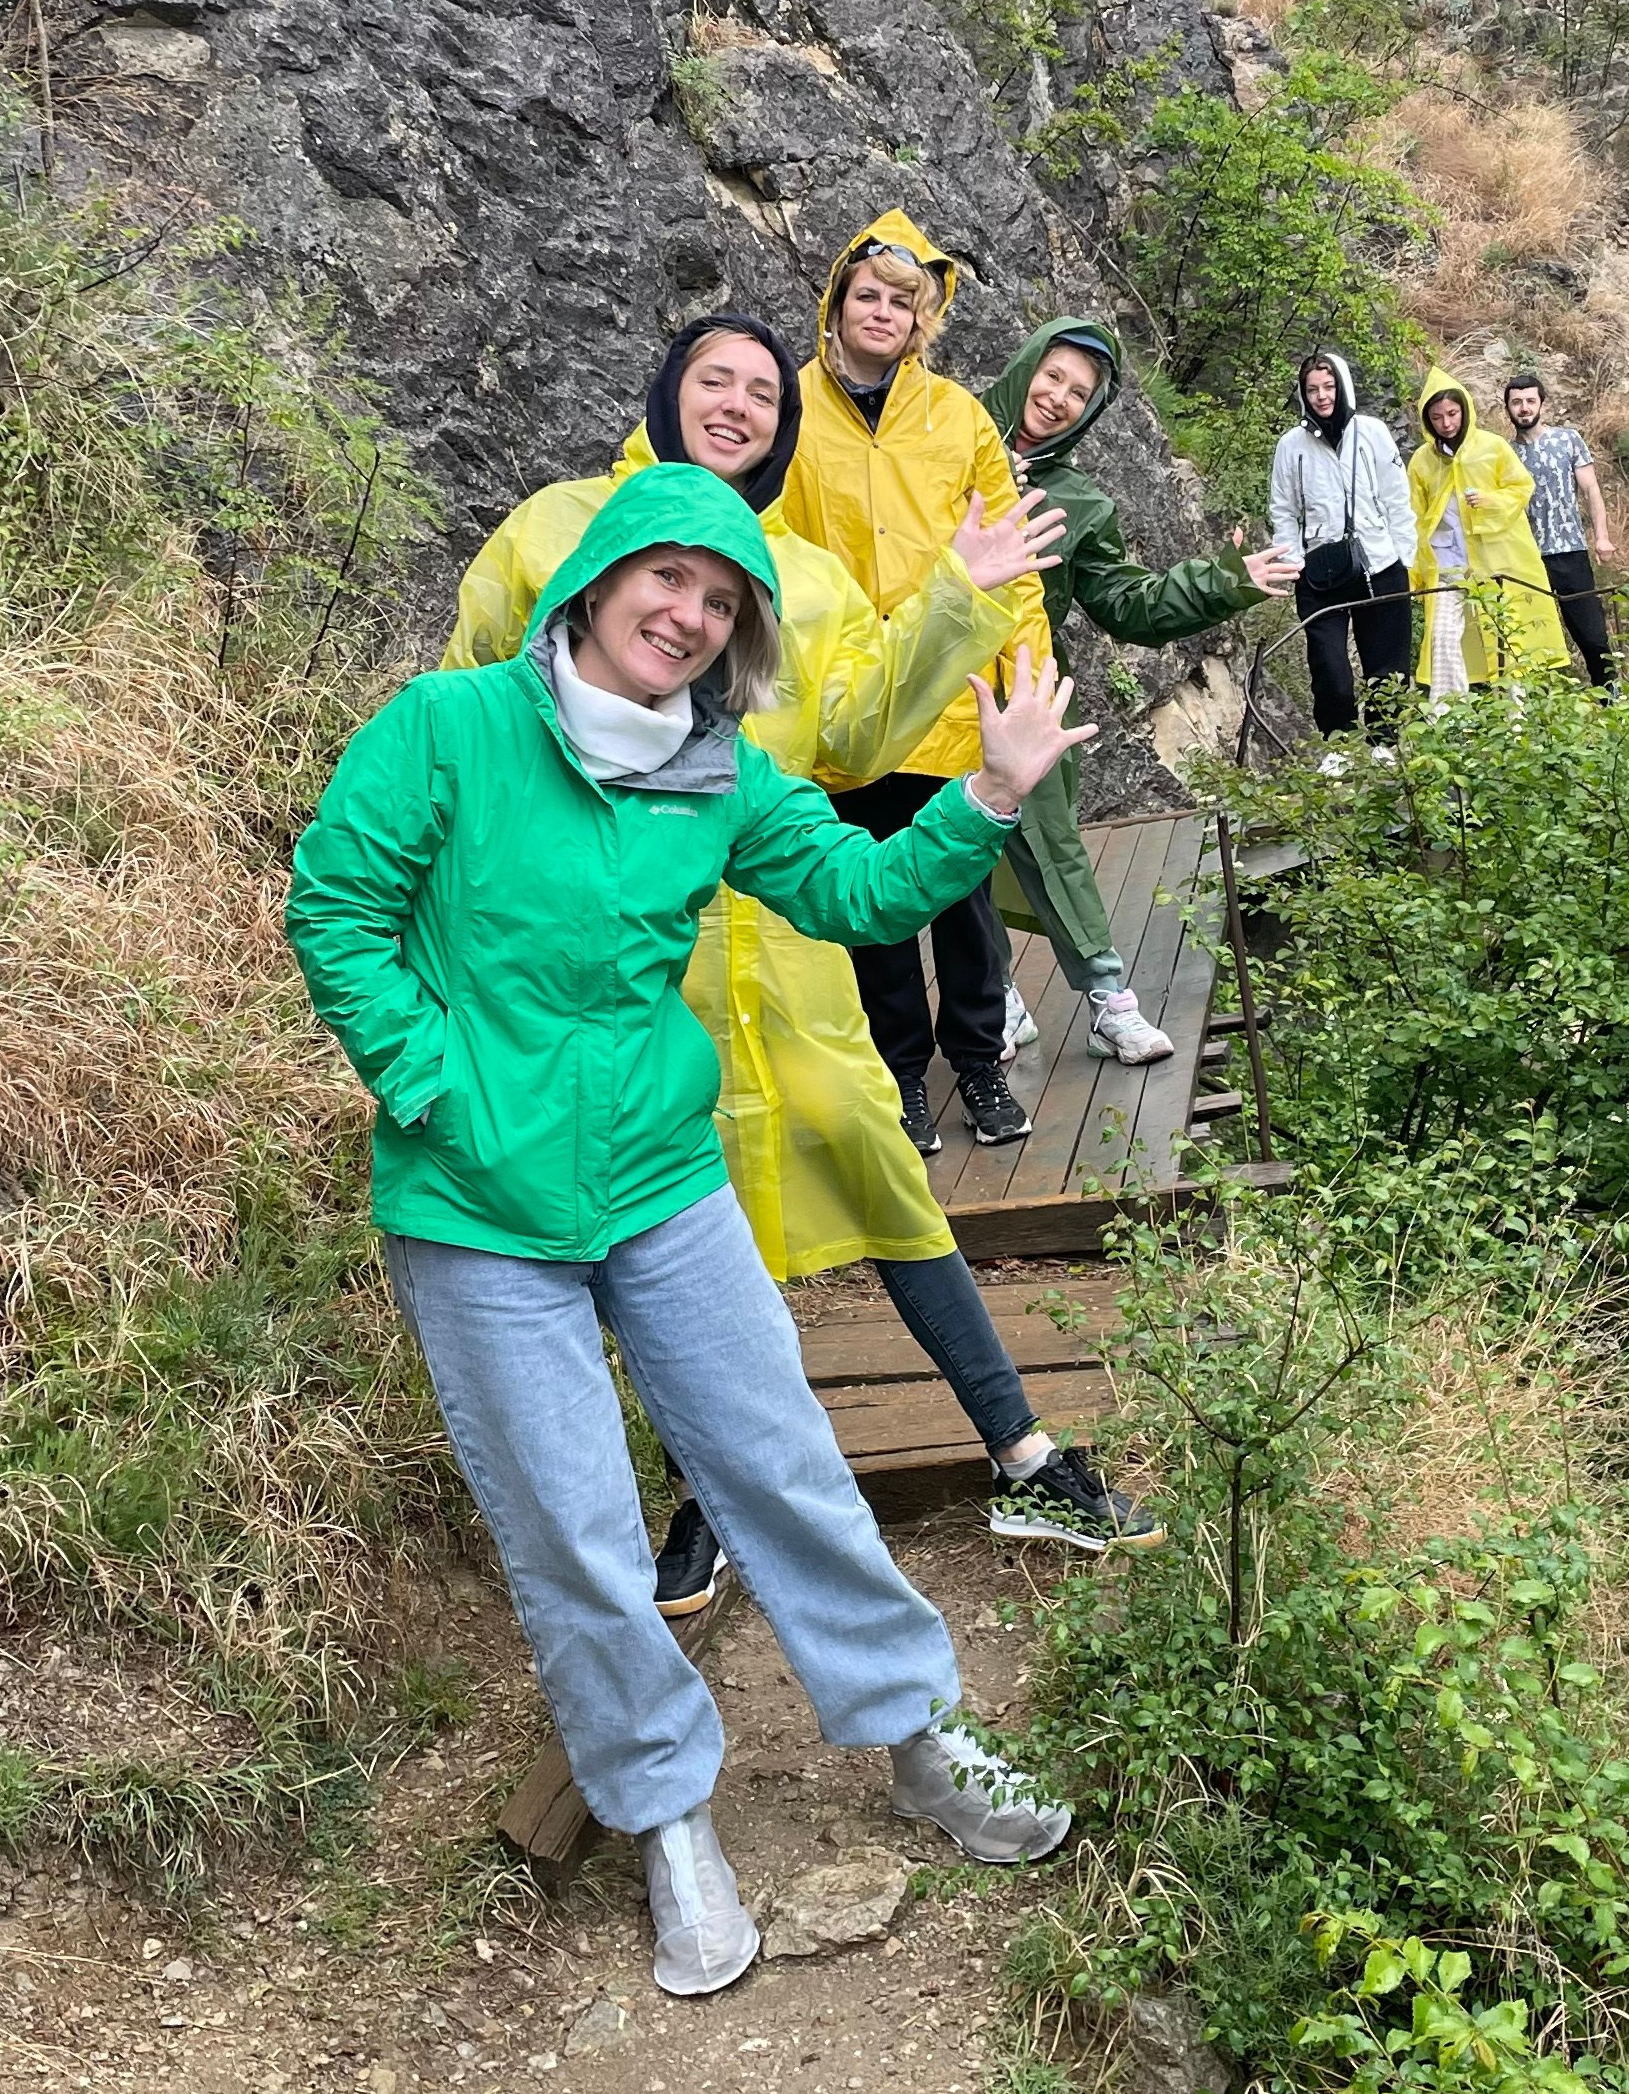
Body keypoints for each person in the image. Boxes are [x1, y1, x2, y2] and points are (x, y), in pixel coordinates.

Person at [287, 463, 1092, 2004]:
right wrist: (428, 1078)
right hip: (475, 1202)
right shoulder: (450, 728)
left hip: (659, 1174)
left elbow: (857, 891)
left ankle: (917, 1735)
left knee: (782, 1460)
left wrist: (988, 797)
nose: (689, 614)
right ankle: (667, 1818)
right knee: (576, 1529)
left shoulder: (717, 772)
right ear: (596, 578)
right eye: (668, 577)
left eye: (723, 602)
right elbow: (335, 902)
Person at [444, 312, 1160, 1568]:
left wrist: (957, 597)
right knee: (675, 1228)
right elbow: (472, 716)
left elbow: (864, 734)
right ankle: (708, 1503)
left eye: (764, 395)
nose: (737, 404)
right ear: (665, 390)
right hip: (616, 964)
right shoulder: (554, 530)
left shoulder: (803, 577)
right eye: (713, 379)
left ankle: (1024, 1456)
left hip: (785, 942)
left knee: (880, 1169)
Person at [776, 213, 1052, 1156]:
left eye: (903, 302)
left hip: (947, 694)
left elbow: (1013, 557)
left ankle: (978, 1060)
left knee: (963, 897)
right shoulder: (790, 408)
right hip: (847, 698)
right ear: (837, 302)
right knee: (870, 900)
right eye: (869, 295)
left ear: (922, 320)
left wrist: (1029, 678)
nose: (884, 313)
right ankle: (899, 1071)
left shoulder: (958, 417)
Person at [982, 316, 1297, 1063]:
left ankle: (1108, 1000)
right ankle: (995, 994)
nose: (1058, 398)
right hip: (924, 679)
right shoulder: (941, 444)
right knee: (948, 847)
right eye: (1052, 376)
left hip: (1023, 690)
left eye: (1078, 393)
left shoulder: (1078, 502)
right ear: (1026, 368)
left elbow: (1129, 604)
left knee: (1049, 841)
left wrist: (1226, 581)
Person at [1268, 352, 1418, 737]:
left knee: (1387, 669)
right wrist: (1294, 562)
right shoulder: (1291, 445)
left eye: (1329, 387)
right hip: (1319, 573)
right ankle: (1340, 745)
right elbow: (1282, 508)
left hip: (1380, 566)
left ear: (1343, 387)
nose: (1321, 396)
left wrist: (1404, 557)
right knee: (1330, 672)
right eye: (1312, 389)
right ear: (1302, 394)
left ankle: (1386, 744)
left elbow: (1397, 497)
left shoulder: (1372, 432)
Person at [1406, 365, 1568, 694]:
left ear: (1465, 410)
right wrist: (1414, 570)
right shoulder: (1423, 460)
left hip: (1495, 563)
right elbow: (1413, 515)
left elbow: (1521, 488)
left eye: (1452, 414)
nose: (1446, 423)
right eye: (1437, 417)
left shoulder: (1492, 447)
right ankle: (1448, 712)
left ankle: (1514, 714)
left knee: (1506, 636)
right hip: (1448, 565)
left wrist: (1489, 501)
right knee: (1443, 638)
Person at [1503, 370, 1615, 688]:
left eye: (1530, 401)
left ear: (1542, 404)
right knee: (1529, 636)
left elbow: (1591, 489)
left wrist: (1602, 537)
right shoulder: (1505, 453)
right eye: (1516, 402)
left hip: (1569, 550)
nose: (1524, 408)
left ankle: (1610, 695)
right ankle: (1538, 704)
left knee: (1591, 634)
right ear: (1507, 408)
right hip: (1525, 556)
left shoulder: (1568, 440)